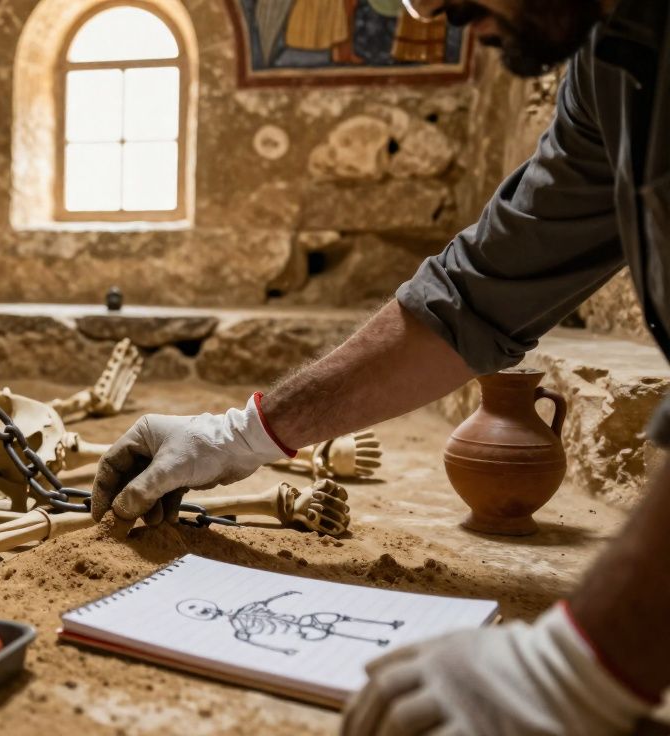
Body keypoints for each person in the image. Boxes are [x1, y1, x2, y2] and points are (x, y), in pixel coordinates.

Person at [91, 0, 670, 732]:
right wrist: (241, 435)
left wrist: (578, 668)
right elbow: (470, 300)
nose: (427, 11)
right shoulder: (609, 72)